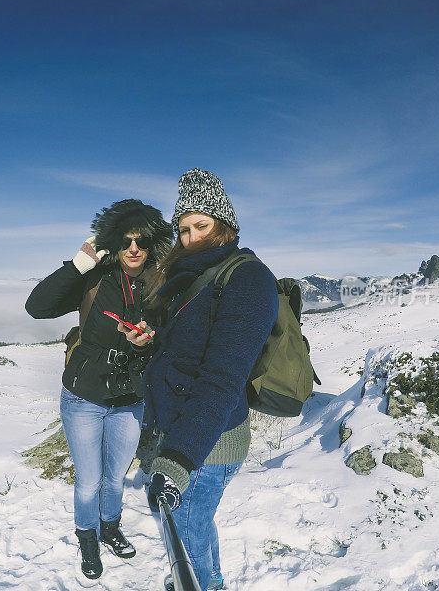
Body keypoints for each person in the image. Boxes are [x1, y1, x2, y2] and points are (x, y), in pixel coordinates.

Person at [124, 169, 278, 591]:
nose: (190, 238)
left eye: (201, 226)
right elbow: (187, 351)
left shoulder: (247, 279)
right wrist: (148, 343)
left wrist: (177, 459)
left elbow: (223, 378)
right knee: (195, 522)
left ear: (223, 224)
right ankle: (212, 580)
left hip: (206, 444)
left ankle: (203, 584)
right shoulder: (190, 277)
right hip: (183, 433)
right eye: (183, 229)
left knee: (186, 531)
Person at [25, 199, 172, 580]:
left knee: (116, 474)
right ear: (112, 243)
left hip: (129, 397)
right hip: (84, 396)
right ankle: (87, 536)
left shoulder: (160, 285)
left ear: (153, 242)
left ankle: (110, 526)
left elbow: (170, 337)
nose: (133, 248)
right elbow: (36, 307)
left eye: (141, 240)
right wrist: (77, 266)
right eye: (124, 241)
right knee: (89, 479)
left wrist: (150, 340)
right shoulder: (92, 277)